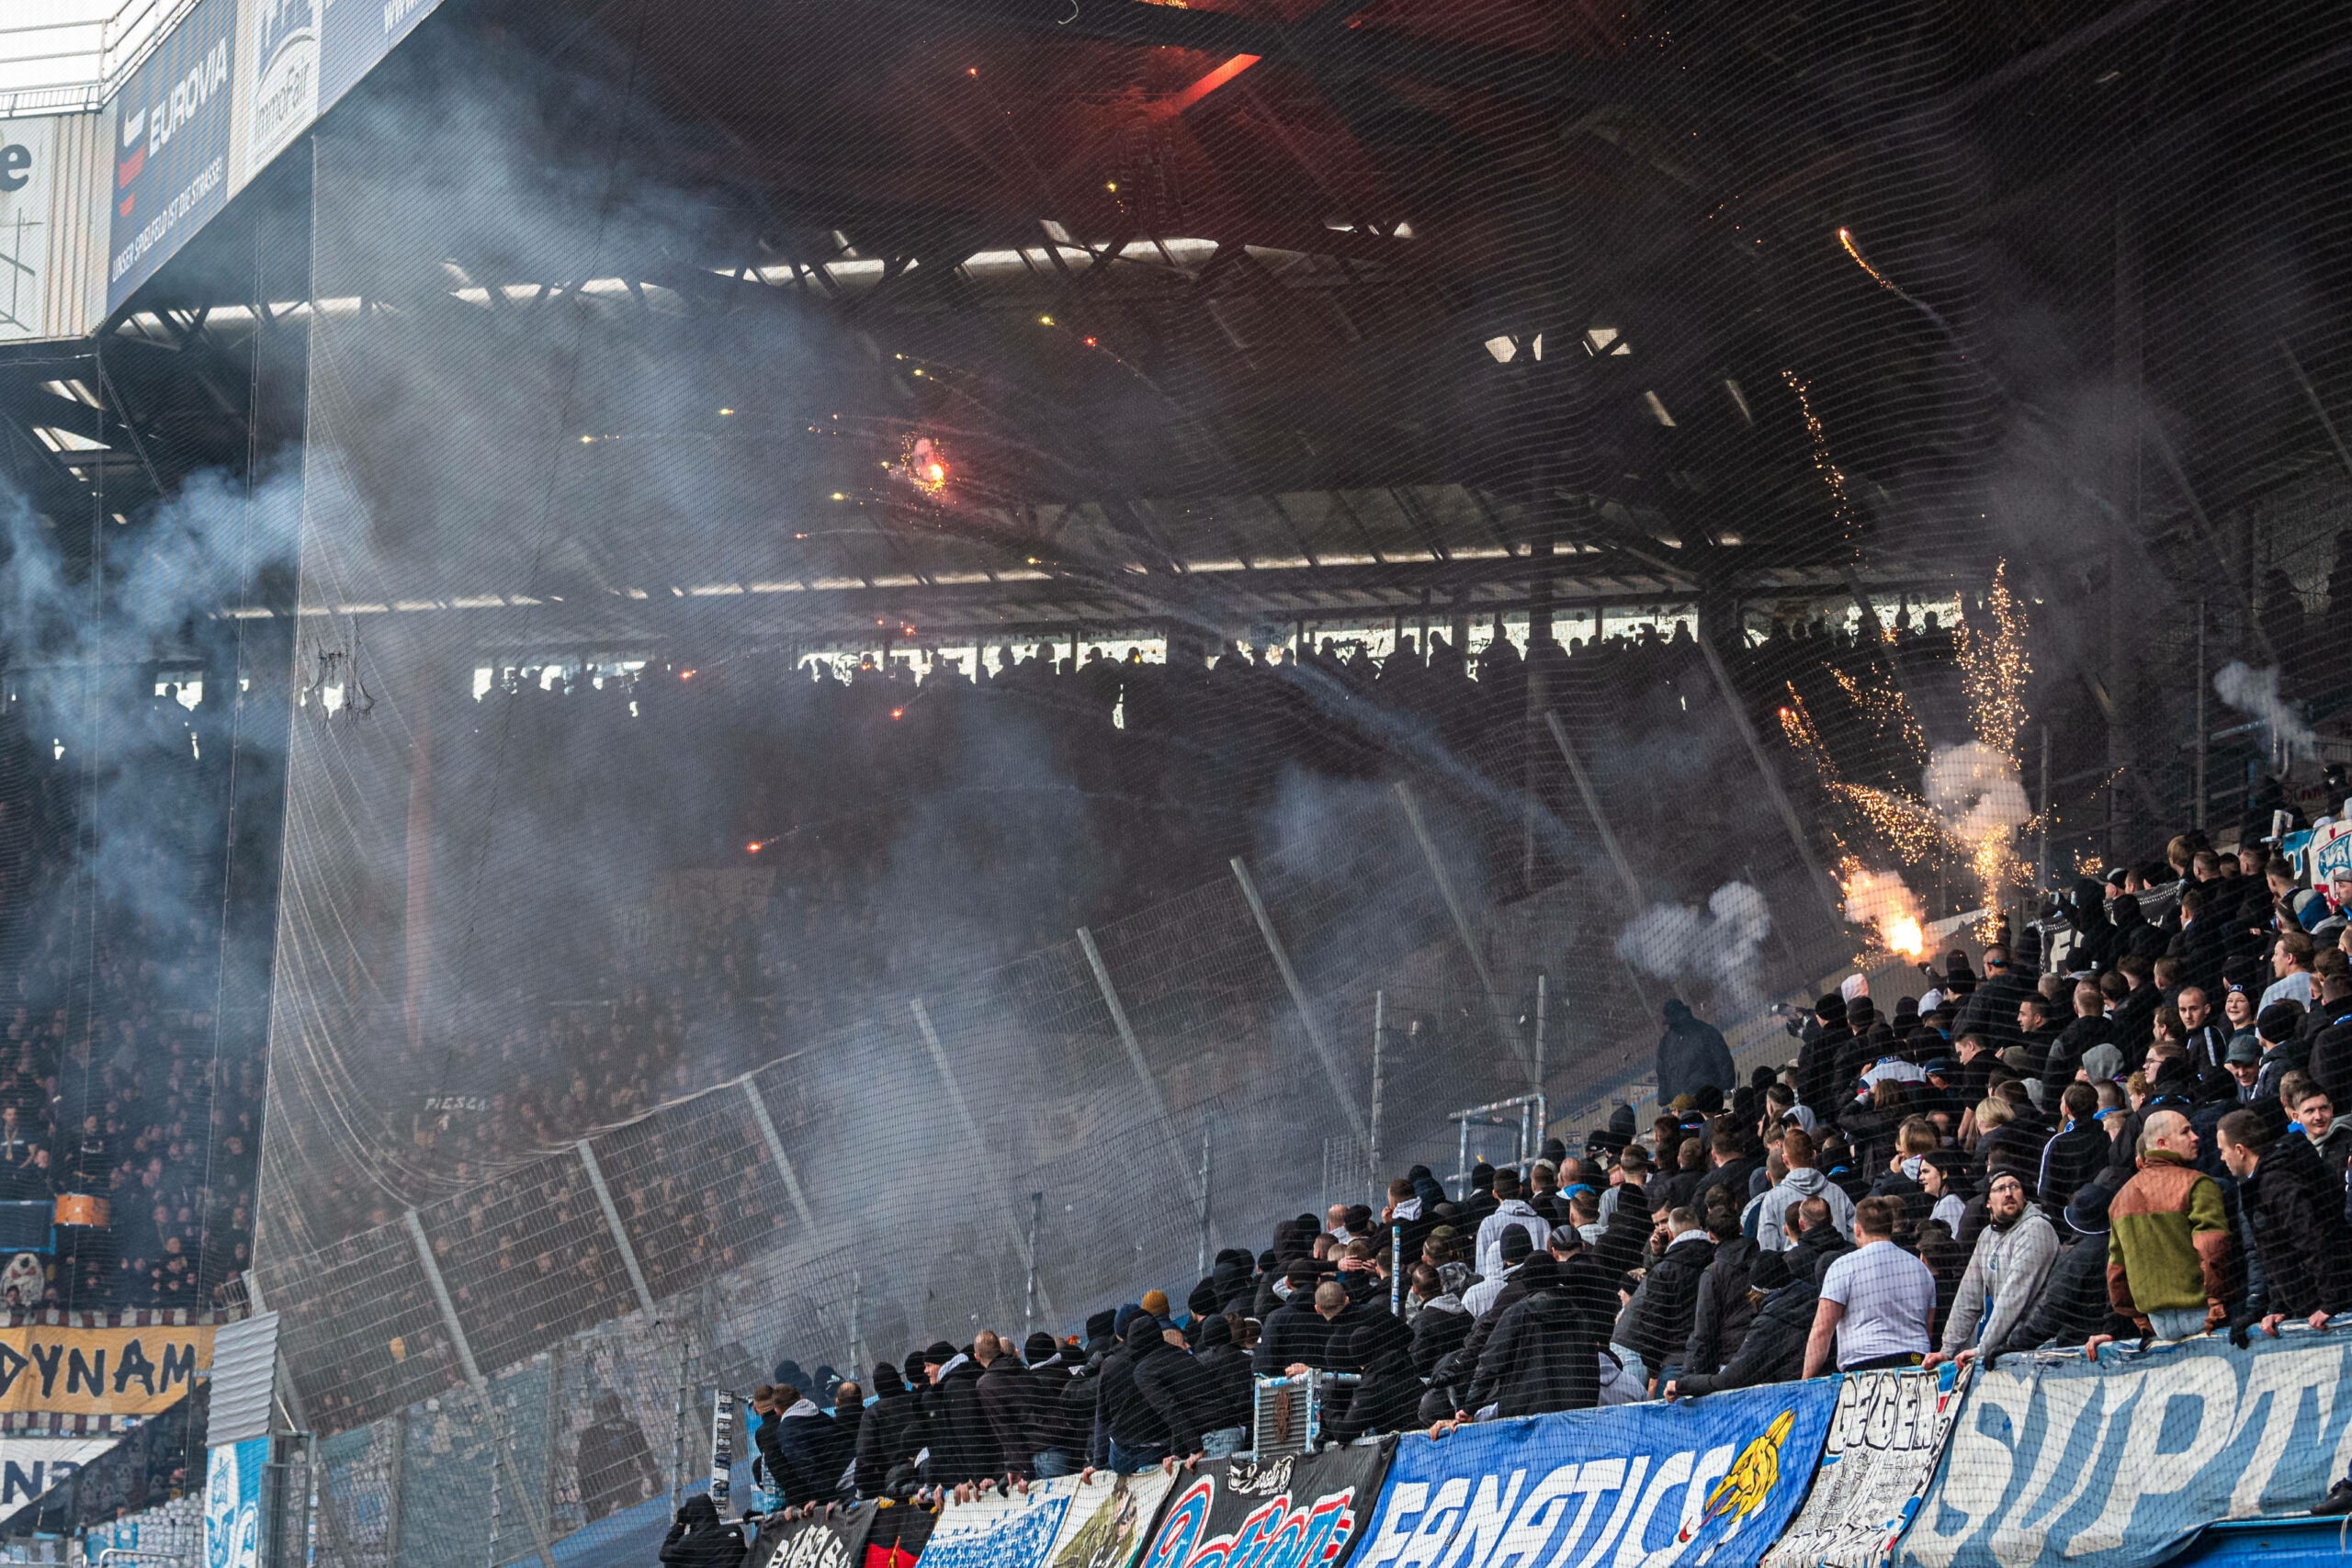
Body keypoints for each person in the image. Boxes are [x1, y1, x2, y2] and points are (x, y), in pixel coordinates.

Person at [2215, 1109, 2352, 1336]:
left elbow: (2312, 1238)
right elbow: (2276, 1252)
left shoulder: (2277, 1184)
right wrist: (2279, 1307)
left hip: (2329, 1312)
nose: (2221, 1158)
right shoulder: (2259, 1183)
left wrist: (2331, 1301)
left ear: (2240, 1150)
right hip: (2306, 1308)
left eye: (2223, 1150)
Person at [2107, 1111, 2233, 1341]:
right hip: (2202, 1313)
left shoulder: (2121, 1198)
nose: (2195, 1137)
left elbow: (2116, 1269)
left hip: (2159, 1323)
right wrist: (2216, 1301)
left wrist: (2138, 1318)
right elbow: (2212, 1247)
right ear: (2162, 1143)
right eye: (2185, 1132)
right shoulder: (2198, 1184)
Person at [1928, 1171, 2057, 1365]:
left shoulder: (2036, 1228)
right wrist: (1947, 1350)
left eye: (2014, 1186)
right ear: (1988, 1202)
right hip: (2008, 1348)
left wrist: (1983, 1348)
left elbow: (2013, 1296)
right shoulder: (1987, 1236)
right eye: (2000, 1189)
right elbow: (1968, 1296)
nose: (2008, 1193)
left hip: (2044, 1349)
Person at [1803, 1196, 1937, 1375]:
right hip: (1915, 1361)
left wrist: (1805, 1382)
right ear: (1889, 1228)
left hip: (1864, 1365)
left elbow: (1822, 1331)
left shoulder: (1843, 1266)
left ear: (1857, 1230)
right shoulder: (1921, 1269)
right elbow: (1928, 1328)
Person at [1628, 1206, 1714, 1393]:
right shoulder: (1717, 1259)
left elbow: (1652, 1322)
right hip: (1714, 1361)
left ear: (1670, 1234)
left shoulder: (1664, 1271)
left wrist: (1653, 1367)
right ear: (1700, 1228)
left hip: (1674, 1363)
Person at [1754, 1128, 1854, 1251]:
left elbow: (1767, 1249)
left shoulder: (1772, 1199)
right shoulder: (1837, 1192)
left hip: (1794, 1268)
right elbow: (1854, 1236)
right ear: (1814, 1154)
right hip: (1837, 1265)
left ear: (1785, 1160)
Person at [575, 1390, 658, 1522]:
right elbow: (648, 1462)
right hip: (623, 1492)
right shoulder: (629, 1428)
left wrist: (593, 1506)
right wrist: (658, 1490)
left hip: (609, 1495)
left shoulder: (590, 1434)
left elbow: (583, 1472)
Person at [1657, 998, 1736, 1107]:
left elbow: (1723, 1061)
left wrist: (1725, 1087)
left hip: (1707, 1100)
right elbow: (1662, 1075)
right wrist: (1665, 1101)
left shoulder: (1706, 1033)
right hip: (1681, 1104)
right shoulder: (1665, 1042)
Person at [1474, 1168, 1552, 1279]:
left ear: (1495, 1194)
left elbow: (1481, 1271)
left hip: (1499, 1291)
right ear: (1520, 1189)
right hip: (1539, 1287)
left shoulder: (1488, 1225)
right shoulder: (1542, 1223)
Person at [660, 1496, 746, 1568]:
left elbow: (664, 1554)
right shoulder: (734, 1530)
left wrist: (679, 1525)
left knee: (671, 1562)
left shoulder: (690, 1541)